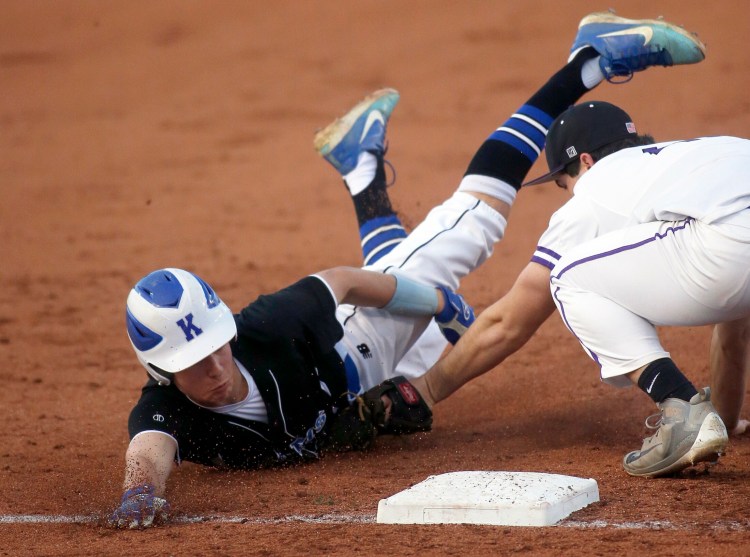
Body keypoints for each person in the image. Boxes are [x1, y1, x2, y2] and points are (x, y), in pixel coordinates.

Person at [109, 12, 706, 528]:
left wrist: (433, 301)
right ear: (161, 371)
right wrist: (139, 491)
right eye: (193, 363)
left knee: (475, 224)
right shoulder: (167, 410)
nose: (215, 366)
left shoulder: (269, 324)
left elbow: (343, 282)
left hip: (365, 327)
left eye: (217, 346)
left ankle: (589, 59)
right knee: (435, 342)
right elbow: (149, 448)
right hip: (373, 388)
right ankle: (360, 168)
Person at [412, 36, 749, 480]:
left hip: (729, 247)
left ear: (584, 162)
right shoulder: (696, 157)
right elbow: (735, 317)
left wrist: (428, 388)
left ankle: (680, 407)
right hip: (732, 243)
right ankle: (704, 419)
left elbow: (509, 321)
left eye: (563, 182)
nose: (569, 193)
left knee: (567, 277)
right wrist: (723, 418)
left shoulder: (597, 187)